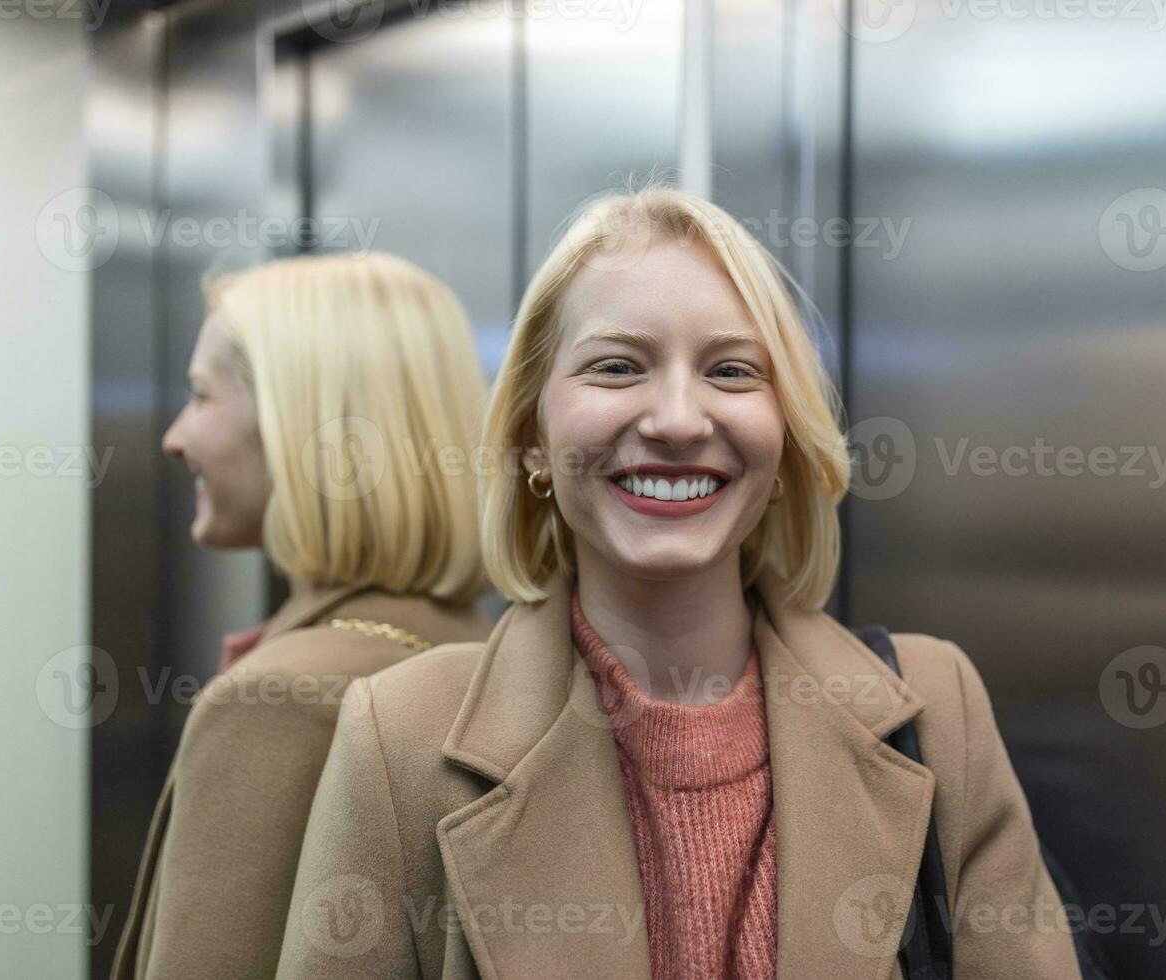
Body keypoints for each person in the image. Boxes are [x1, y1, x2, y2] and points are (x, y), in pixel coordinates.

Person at [276, 188, 1080, 979]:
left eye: (731, 371)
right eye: (618, 366)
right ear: (530, 436)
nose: (677, 420)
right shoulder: (399, 739)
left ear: (786, 443)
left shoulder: (940, 710)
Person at [111, 252, 494, 980]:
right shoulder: (488, 657)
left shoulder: (275, 702)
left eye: (199, 396)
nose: (173, 437)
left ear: (295, 422)